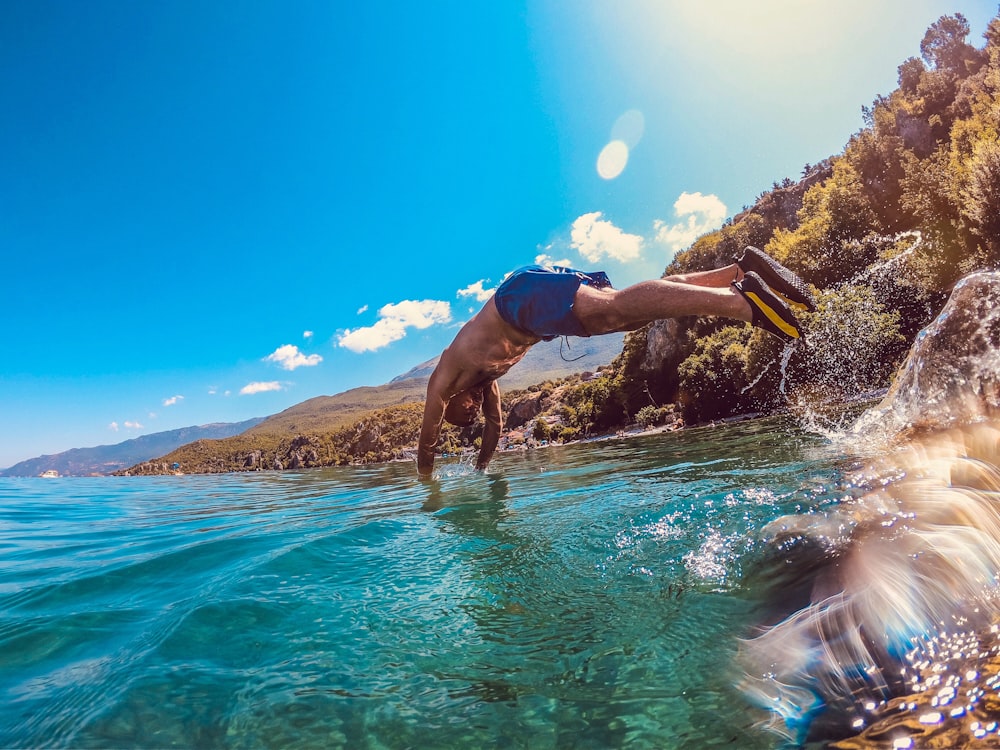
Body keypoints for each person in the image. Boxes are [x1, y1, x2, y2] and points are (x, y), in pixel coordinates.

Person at [417, 246, 816, 478]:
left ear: (448, 401)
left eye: (460, 412)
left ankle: (741, 303)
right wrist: (481, 471)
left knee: (614, 309)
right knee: (631, 315)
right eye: (468, 415)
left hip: (518, 300)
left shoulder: (443, 380)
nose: (469, 411)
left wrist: (426, 485)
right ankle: (739, 270)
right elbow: (496, 426)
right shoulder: (485, 382)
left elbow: (427, 440)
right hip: (532, 308)